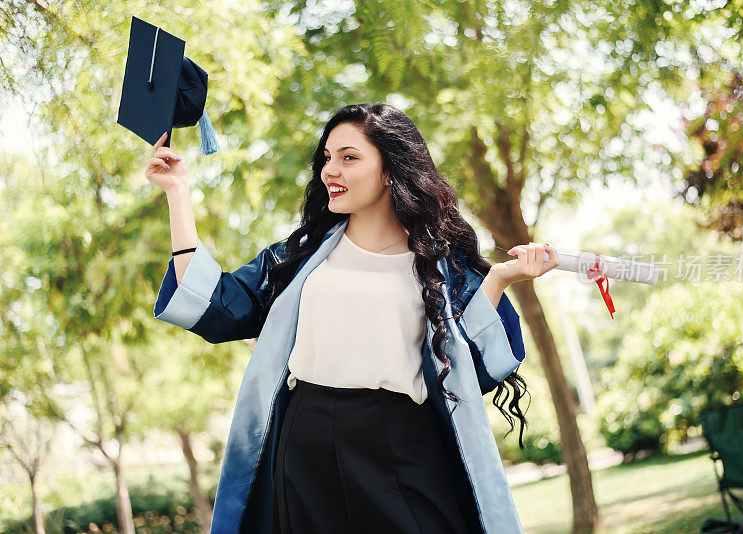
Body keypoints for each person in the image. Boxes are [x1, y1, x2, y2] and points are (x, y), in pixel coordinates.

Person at [147, 103, 559, 534]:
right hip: (306, 439)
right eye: (327, 158)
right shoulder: (299, 256)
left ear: (389, 170)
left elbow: (480, 370)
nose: (330, 170)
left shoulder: (443, 269)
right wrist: (177, 192)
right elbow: (218, 307)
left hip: (399, 439)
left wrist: (498, 282)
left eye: (349, 157)